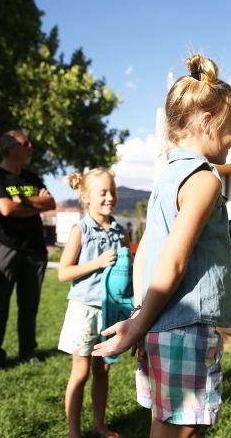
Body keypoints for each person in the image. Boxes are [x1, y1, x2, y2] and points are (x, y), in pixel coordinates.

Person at [91, 53, 231, 438]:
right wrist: (138, 323)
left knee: (164, 422)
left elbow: (145, 253)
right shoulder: (203, 178)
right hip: (186, 327)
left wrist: (142, 316)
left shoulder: (167, 177)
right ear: (208, 122)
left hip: (158, 324)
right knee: (187, 429)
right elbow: (174, 262)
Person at [57, 168, 129, 438]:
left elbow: (127, 268)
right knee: (81, 370)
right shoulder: (81, 229)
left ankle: (99, 426)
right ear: (85, 197)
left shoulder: (121, 230)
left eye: (113, 191)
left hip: (111, 311)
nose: (110, 197)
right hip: (84, 311)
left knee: (103, 369)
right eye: (103, 192)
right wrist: (96, 263)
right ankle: (73, 432)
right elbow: (63, 273)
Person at [0, 130, 56, 369]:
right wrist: (35, 203)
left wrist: (21, 203)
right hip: (5, 246)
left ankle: (27, 351)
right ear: (11, 147)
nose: (31, 147)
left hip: (34, 250)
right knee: (0, 304)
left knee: (29, 305)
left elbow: (51, 203)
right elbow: (5, 209)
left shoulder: (32, 177)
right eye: (26, 144)